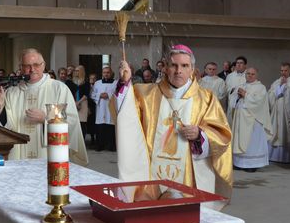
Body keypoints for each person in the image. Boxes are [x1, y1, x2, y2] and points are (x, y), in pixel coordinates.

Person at [116, 44, 232, 204]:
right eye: (174, 65)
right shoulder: (145, 94)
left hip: (188, 177)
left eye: (184, 66)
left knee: (184, 218)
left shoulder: (206, 99)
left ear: (192, 69)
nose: (179, 71)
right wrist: (125, 82)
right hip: (150, 178)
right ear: (164, 67)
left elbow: (222, 136)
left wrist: (200, 135)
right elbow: (126, 116)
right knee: (149, 218)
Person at [0, 49, 88, 164]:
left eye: (36, 65)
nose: (32, 69)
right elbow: (4, 128)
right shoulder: (12, 92)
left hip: (48, 156)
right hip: (19, 158)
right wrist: (0, 106)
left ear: (43, 65)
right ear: (21, 67)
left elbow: (71, 123)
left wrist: (46, 118)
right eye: (27, 66)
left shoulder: (58, 89)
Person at [230, 67, 272, 172]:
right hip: (240, 118)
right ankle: (239, 163)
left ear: (256, 75)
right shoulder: (241, 86)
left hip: (253, 120)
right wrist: (237, 97)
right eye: (248, 73)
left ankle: (252, 164)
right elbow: (232, 100)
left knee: (252, 142)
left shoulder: (260, 87)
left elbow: (259, 102)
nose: (250, 75)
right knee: (239, 139)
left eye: (252, 74)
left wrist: (246, 95)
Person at [267, 62, 290, 163]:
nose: (283, 73)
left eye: (285, 70)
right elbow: (270, 94)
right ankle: (273, 156)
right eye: (281, 70)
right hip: (276, 112)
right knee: (275, 130)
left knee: (286, 132)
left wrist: (286, 88)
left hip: (287, 112)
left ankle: (287, 158)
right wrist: (280, 87)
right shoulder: (277, 82)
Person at [91, 65, 118, 151]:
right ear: (102, 73)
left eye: (108, 72)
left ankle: (111, 146)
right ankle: (100, 146)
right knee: (100, 127)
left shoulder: (116, 83)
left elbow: (118, 94)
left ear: (111, 73)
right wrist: (99, 95)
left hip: (111, 108)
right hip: (101, 108)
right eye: (104, 72)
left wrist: (109, 95)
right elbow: (92, 94)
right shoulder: (97, 83)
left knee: (110, 128)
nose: (106, 74)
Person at [225, 56, 248, 123]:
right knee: (232, 123)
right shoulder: (230, 76)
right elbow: (226, 89)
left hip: (244, 104)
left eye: (241, 63)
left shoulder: (248, 74)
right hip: (232, 103)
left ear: (245, 65)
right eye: (237, 63)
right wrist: (233, 90)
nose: (238, 64)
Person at [71, 65, 90, 140]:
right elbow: (71, 93)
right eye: (75, 70)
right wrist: (75, 102)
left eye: (78, 71)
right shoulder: (72, 82)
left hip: (83, 102)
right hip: (73, 102)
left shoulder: (86, 83)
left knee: (82, 122)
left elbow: (86, 95)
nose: (76, 72)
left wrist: (78, 102)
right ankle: (75, 140)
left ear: (81, 72)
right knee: (74, 122)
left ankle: (82, 140)